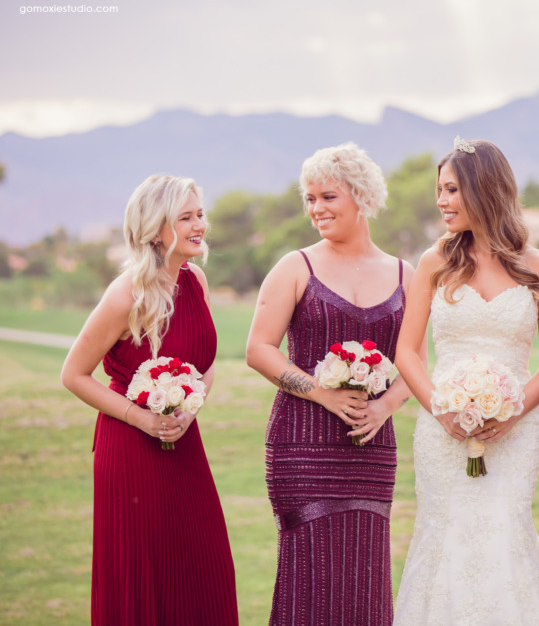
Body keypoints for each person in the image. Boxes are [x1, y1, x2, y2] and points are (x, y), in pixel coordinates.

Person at [392, 137, 539, 625]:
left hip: (517, 429)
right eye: (439, 190)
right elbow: (406, 351)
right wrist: (439, 408)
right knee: (444, 535)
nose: (441, 201)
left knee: (506, 531)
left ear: (484, 190)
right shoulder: (433, 263)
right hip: (441, 430)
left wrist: (513, 412)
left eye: (451, 190)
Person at [246, 143, 419, 625]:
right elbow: (258, 349)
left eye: (328, 197)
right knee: (311, 572)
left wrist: (385, 407)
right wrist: (320, 391)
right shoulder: (294, 267)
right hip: (302, 445)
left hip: (371, 447)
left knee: (364, 575)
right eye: (309, 199)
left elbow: (417, 361)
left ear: (361, 197)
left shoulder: (407, 274)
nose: (316, 209)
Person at [60, 175, 238, 625]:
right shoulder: (126, 294)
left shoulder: (195, 280)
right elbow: (74, 374)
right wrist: (141, 418)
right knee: (143, 575)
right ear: (158, 229)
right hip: (130, 450)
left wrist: (189, 407)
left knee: (206, 565)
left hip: (184, 442)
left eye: (200, 214)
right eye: (187, 217)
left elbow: (205, 364)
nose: (200, 224)